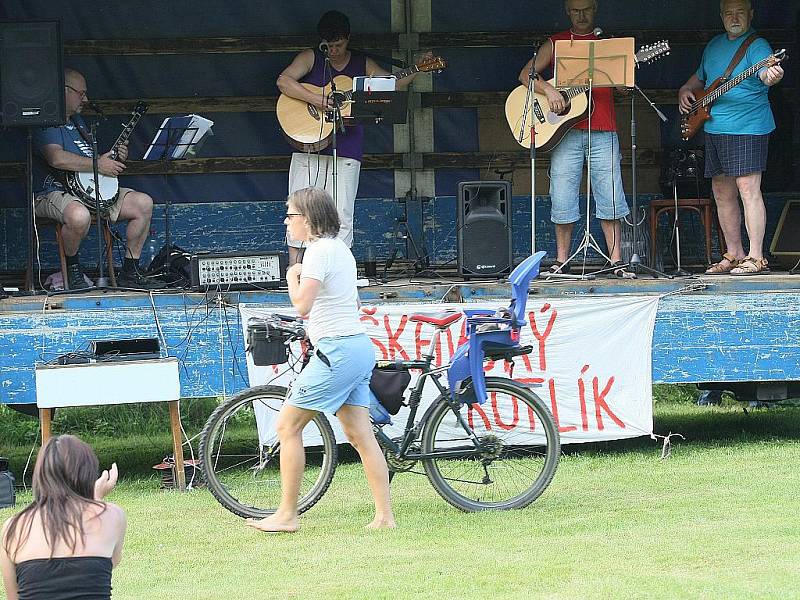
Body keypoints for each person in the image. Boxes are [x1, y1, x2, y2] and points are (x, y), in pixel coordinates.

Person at [247, 187, 395, 532]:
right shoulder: (341, 250)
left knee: (287, 426)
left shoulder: (316, 253)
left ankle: (287, 515)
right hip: (356, 346)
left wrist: (291, 276)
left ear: (308, 219)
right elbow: (352, 304)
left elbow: (302, 306)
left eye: (291, 215)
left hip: (338, 352)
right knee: (360, 435)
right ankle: (384, 517)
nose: (287, 222)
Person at [277, 10, 423, 266]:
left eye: (339, 45)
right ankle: (295, 266)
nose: (333, 51)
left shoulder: (361, 63)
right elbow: (284, 82)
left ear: (348, 39)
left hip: (347, 146)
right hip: (307, 143)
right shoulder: (311, 57)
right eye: (329, 46)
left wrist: (419, 68)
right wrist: (319, 100)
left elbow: (390, 83)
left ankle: (339, 267)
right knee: (300, 205)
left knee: (342, 210)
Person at [518, 0, 632, 277]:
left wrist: (620, 82)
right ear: (567, 12)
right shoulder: (556, 43)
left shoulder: (609, 44)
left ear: (595, 10)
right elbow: (525, 75)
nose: (581, 15)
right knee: (562, 194)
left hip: (604, 128)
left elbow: (625, 93)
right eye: (575, 10)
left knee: (611, 195)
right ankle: (561, 260)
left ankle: (615, 261)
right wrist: (548, 90)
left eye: (587, 9)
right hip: (564, 131)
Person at [33, 68, 165, 290]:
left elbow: (89, 161)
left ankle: (130, 272)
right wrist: (98, 164)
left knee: (143, 203)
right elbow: (56, 158)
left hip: (89, 192)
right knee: (79, 215)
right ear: (63, 91)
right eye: (81, 93)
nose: (86, 99)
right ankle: (73, 270)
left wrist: (113, 157)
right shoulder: (47, 122)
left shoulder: (78, 122)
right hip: (53, 192)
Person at [678, 0, 783, 276]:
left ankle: (756, 256)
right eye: (729, 13)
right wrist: (684, 92)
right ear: (721, 16)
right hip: (715, 128)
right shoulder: (713, 46)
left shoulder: (758, 46)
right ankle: (734, 253)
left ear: (751, 15)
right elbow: (696, 81)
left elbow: (766, 72)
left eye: (740, 12)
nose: (734, 17)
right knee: (722, 193)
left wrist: (771, 75)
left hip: (748, 126)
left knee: (748, 190)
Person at [1, 435, 126, 600]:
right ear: (87, 473)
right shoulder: (113, 516)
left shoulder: (13, 527)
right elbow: (109, 563)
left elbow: (13, 596)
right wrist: (96, 499)